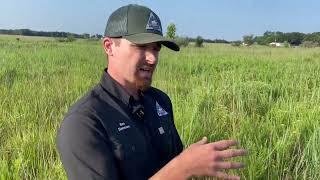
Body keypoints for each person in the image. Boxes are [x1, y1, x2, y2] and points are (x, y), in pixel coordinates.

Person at [56, 4, 247, 180]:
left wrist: (190, 164)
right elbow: (178, 169)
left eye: (156, 49)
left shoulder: (159, 101)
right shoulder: (84, 123)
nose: (152, 58)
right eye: (141, 46)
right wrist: (183, 167)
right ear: (109, 46)